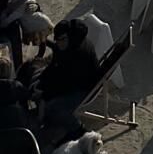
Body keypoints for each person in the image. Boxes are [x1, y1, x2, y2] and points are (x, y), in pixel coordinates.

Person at [34, 18, 102, 146]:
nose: (58, 42)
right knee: (40, 82)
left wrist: (45, 94)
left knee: (53, 107)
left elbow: (66, 85)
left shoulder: (78, 55)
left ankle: (78, 130)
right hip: (74, 82)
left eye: (62, 39)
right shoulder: (70, 44)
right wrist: (42, 81)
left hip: (85, 88)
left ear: (69, 37)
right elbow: (56, 65)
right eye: (57, 39)